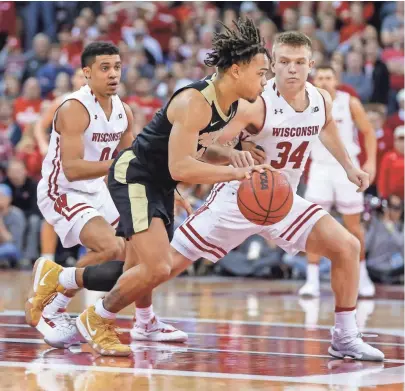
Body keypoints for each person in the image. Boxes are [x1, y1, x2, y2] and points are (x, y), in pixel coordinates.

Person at [32, 30, 384, 361]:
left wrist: (350, 167)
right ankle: (110, 313)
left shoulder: (309, 100)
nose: (285, 71)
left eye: (299, 62)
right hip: (226, 196)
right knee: (154, 267)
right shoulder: (245, 103)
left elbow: (323, 132)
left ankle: (345, 337)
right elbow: (193, 155)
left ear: (311, 64)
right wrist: (235, 165)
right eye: (277, 65)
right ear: (267, 65)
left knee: (347, 247)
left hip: (278, 197)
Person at [26, 19, 271, 356]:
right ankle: (97, 319)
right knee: (157, 266)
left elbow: (194, 149)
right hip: (135, 179)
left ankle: (63, 280)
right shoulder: (195, 100)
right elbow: (180, 165)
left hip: (155, 182)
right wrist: (233, 174)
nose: (265, 79)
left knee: (135, 269)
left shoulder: (228, 105)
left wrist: (232, 155)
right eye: (261, 72)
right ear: (238, 70)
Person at [25, 42, 138, 348]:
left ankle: (55, 285)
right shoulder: (73, 108)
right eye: (105, 68)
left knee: (134, 252)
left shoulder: (124, 111)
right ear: (87, 73)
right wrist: (118, 164)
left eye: (117, 66)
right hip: (62, 188)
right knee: (108, 245)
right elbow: (73, 169)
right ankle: (55, 304)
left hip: (97, 187)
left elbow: (130, 163)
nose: (113, 73)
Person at [300, 65, 377, 298]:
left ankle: (362, 276)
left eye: (328, 77)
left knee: (353, 226)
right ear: (313, 80)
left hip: (347, 168)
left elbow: (368, 132)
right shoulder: (305, 102)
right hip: (320, 168)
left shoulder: (349, 102)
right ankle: (311, 280)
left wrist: (370, 162)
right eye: (320, 77)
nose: (323, 81)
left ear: (336, 81)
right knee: (312, 225)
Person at [33, 68, 87, 264]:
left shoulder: (101, 105)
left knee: (91, 211)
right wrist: (42, 145)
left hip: (87, 167)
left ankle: (88, 259)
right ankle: (47, 260)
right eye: (80, 76)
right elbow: (40, 125)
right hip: (60, 165)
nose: (83, 80)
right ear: (73, 79)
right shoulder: (62, 101)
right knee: (52, 212)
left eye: (86, 76)